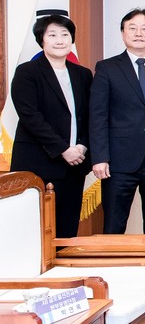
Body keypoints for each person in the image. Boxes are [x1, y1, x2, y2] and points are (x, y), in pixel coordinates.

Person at [90, 8, 145, 234]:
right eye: (132, 28)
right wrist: (100, 157)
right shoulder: (107, 68)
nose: (139, 33)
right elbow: (98, 115)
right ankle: (113, 260)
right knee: (114, 224)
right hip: (118, 162)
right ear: (122, 33)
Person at [11, 14, 92, 238]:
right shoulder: (27, 72)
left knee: (67, 229)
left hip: (75, 165)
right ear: (42, 39)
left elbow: (91, 116)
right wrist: (63, 149)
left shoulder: (83, 74)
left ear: (72, 39)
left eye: (65, 34)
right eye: (53, 35)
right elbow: (31, 117)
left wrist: (82, 146)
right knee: (36, 230)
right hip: (39, 163)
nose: (60, 40)